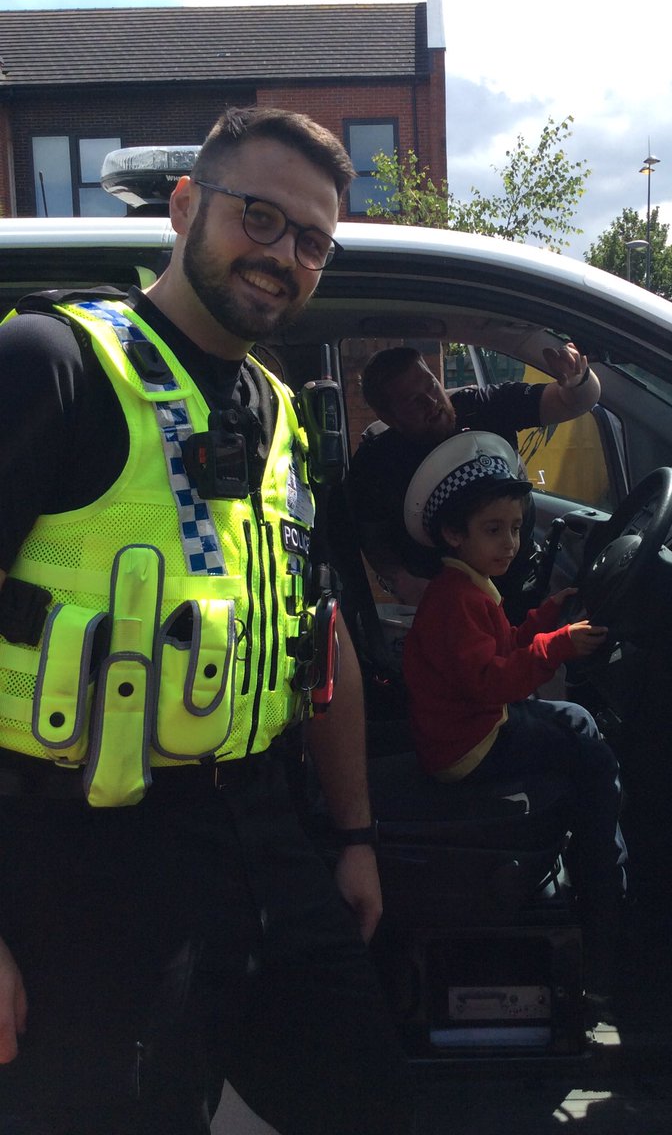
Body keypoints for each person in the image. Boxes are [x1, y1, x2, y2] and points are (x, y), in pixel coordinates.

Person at [0, 107, 413, 1134]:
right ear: (185, 207)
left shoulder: (277, 417)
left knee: (364, 1102)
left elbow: (314, 640)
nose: (283, 257)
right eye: (259, 219)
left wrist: (353, 836)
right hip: (78, 860)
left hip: (261, 836)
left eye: (311, 240)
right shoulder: (50, 364)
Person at [401, 431, 628, 990]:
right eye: (493, 530)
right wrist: (558, 646)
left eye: (517, 528)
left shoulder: (470, 587)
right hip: (469, 746)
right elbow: (490, 682)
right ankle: (605, 889)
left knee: (576, 728)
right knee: (589, 750)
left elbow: (501, 650)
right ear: (453, 534)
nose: (510, 543)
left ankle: (587, 855)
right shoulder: (457, 600)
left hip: (471, 730)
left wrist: (544, 620)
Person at [347, 341, 602, 610]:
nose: (431, 402)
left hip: (521, 581)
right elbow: (372, 537)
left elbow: (571, 402)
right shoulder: (375, 462)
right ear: (387, 416)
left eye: (431, 385)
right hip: (446, 604)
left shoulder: (484, 405)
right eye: (413, 400)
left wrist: (577, 380)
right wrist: (404, 583)